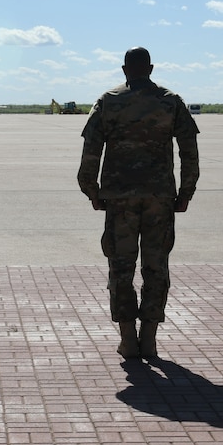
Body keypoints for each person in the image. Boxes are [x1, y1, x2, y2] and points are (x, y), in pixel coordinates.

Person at [78, 46, 200, 359]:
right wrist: (185, 193)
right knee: (155, 266)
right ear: (151, 68)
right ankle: (149, 337)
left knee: (121, 267)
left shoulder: (109, 101)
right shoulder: (170, 101)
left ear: (124, 69)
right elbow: (189, 151)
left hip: (120, 198)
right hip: (159, 198)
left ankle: (127, 338)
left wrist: (92, 191)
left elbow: (91, 151)